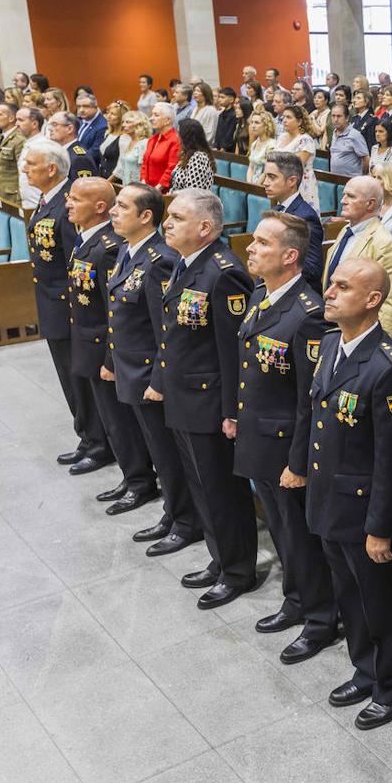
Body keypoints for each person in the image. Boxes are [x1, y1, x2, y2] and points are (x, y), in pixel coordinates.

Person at [308, 258, 392, 732]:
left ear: (373, 300)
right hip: (328, 498)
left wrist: (379, 527)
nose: (329, 293)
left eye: (343, 287)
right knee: (348, 596)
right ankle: (364, 668)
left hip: (361, 508)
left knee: (380, 603)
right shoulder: (331, 343)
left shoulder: (387, 365)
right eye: (331, 284)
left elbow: (388, 458)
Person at [234, 211, 337, 663]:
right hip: (259, 438)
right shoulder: (262, 294)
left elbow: (307, 401)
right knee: (280, 531)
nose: (251, 249)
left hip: (285, 448)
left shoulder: (307, 314)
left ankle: (320, 618)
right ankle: (296, 600)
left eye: (262, 243)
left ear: (290, 255)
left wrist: (298, 463)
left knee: (299, 536)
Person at [152, 189, 257, 608]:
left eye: (177, 217)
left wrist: (231, 412)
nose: (167, 223)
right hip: (184, 397)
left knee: (221, 491)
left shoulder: (224, 272)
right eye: (168, 216)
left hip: (209, 403)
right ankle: (219, 557)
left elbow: (232, 352)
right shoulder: (186, 263)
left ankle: (237, 570)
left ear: (206, 228)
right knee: (200, 485)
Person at [105, 183, 202, 552]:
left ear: (146, 216)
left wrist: (157, 379)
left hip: (150, 376)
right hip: (132, 370)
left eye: (122, 206)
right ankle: (173, 511)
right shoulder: (130, 252)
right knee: (157, 451)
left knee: (168, 455)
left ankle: (184, 520)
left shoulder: (159, 259)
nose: (114, 212)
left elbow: (166, 331)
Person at [64, 175, 161, 510]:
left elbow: (113, 310)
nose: (69, 204)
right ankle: (131, 475)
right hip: (91, 343)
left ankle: (139, 480)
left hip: (106, 348)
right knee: (112, 421)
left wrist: (109, 358)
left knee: (122, 423)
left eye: (76, 199)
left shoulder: (109, 248)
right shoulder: (91, 241)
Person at [24, 138, 112, 470]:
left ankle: (98, 441)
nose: (25, 169)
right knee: (69, 378)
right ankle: (87, 436)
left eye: (31, 164)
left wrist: (78, 313)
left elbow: (79, 264)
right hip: (51, 304)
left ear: (51, 168)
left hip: (68, 309)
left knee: (80, 379)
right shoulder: (50, 200)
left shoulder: (69, 204)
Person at [326, 175, 392, 340]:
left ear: (370, 203)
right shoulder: (345, 231)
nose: (343, 201)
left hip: (363, 336)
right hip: (339, 330)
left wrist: (376, 346)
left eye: (351, 196)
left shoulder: (385, 244)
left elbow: (390, 303)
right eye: (344, 195)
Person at [261, 151, 325, 292]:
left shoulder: (305, 217)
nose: (265, 183)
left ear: (291, 181)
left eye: (272, 177)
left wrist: (273, 262)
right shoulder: (277, 209)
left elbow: (313, 268)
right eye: (266, 176)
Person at [275, 104, 320, 212]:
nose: (284, 120)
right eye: (283, 117)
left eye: (289, 117)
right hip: (282, 181)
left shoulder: (305, 140)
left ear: (299, 121)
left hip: (301, 183)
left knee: (301, 216)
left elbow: (296, 164)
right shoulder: (281, 137)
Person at [140, 102, 180, 193]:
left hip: (163, 192)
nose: (151, 118)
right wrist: (143, 182)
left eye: (156, 115)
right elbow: (145, 163)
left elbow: (171, 168)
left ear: (168, 120)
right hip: (147, 189)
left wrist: (156, 189)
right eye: (152, 115)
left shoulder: (175, 140)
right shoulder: (152, 139)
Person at [168, 118, 215, 193]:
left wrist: (172, 196)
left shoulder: (199, 157)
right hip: (179, 200)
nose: (177, 136)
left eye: (179, 133)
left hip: (191, 203)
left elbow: (193, 191)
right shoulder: (187, 154)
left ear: (186, 137)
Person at [46, 111, 97, 180]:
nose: (50, 129)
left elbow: (82, 189)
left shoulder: (79, 158)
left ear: (69, 129)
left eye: (54, 124)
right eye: (50, 125)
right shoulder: (61, 151)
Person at [0, 102, 24, 203]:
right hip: (3, 193)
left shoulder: (19, 139)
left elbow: (22, 171)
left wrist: (20, 197)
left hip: (15, 196)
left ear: (11, 118)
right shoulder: (2, 136)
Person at [327, 103, 370, 177]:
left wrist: (361, 177)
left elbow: (366, 159)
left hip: (351, 180)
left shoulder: (355, 135)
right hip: (335, 178)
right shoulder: (334, 133)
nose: (335, 119)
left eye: (339, 116)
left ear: (347, 118)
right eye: (333, 116)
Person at [96, 101, 127, 180]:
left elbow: (121, 166)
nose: (108, 116)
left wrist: (108, 181)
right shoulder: (107, 133)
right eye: (108, 113)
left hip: (114, 181)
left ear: (121, 118)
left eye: (113, 114)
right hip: (102, 177)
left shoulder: (125, 137)